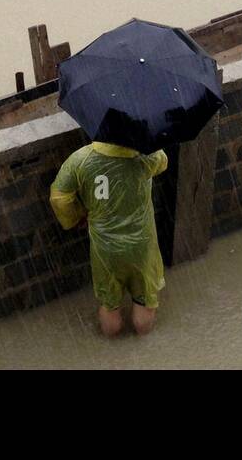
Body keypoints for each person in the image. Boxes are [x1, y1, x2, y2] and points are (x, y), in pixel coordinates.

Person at [49, 140, 168, 337]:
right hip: (142, 245)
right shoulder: (145, 156)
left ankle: (112, 347)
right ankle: (143, 342)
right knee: (144, 300)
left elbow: (59, 198)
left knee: (109, 303)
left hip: (105, 248)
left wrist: (75, 217)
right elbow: (163, 161)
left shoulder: (80, 160)